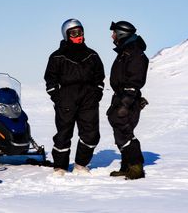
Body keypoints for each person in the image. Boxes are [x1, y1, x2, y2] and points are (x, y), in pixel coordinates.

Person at [44, 18, 105, 175]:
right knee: (64, 134)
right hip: (66, 98)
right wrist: (56, 95)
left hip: (88, 99)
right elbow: (50, 79)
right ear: (66, 35)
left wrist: (97, 92)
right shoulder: (57, 57)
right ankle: (60, 166)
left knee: (91, 134)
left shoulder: (92, 55)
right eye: (74, 33)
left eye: (81, 32)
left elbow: (100, 76)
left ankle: (80, 164)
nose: (79, 35)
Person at [107, 20, 149, 180]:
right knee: (120, 133)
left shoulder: (135, 53)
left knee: (125, 132)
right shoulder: (126, 52)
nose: (112, 36)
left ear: (121, 34)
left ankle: (136, 168)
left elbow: (134, 80)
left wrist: (126, 102)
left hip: (127, 99)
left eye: (114, 33)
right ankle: (126, 166)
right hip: (121, 97)